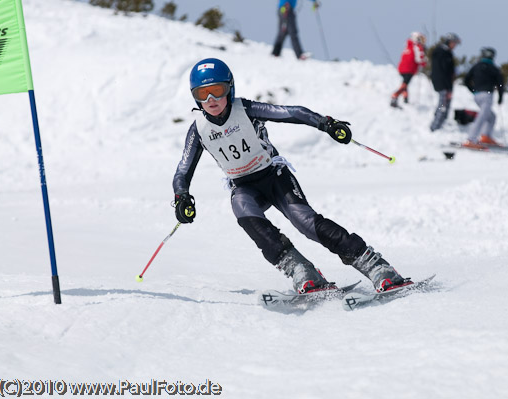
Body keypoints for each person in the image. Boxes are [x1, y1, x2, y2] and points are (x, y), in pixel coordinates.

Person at [173, 58, 412, 294]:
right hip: (245, 187)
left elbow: (292, 112)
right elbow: (183, 170)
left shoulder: (245, 109)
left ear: (230, 88)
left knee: (305, 223)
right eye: (203, 94)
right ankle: (302, 271)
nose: (211, 100)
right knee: (242, 210)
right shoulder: (198, 130)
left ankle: (376, 266)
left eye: (217, 91)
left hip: (275, 177)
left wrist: (326, 124)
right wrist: (181, 196)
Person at [462, 47, 505, 148]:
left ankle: (486, 136)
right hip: (487, 95)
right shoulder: (493, 69)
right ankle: (471, 139)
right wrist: (500, 97)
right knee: (482, 117)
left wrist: (473, 90)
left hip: (477, 96)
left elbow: (466, 79)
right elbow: (500, 84)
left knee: (491, 117)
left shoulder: (476, 66)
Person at [429, 33, 461, 132]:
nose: (455, 46)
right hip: (443, 83)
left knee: (443, 104)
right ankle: (435, 127)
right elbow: (445, 72)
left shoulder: (440, 51)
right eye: (454, 43)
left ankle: (438, 126)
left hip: (440, 82)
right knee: (443, 105)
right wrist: (448, 88)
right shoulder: (444, 53)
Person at [391, 32, 427, 108]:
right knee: (405, 84)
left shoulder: (408, 46)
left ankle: (405, 99)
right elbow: (419, 59)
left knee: (405, 83)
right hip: (409, 69)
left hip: (402, 68)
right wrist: (425, 62)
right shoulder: (417, 47)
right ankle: (395, 95)